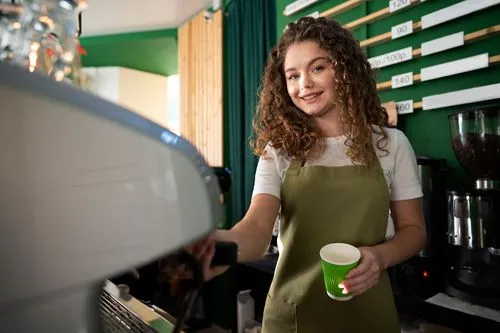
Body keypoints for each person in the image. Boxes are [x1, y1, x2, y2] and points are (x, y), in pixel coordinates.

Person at [190, 16, 426, 332]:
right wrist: (217, 247)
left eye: (317, 68)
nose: (304, 85)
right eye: (292, 75)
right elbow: (256, 229)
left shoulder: (392, 144)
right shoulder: (279, 151)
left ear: (345, 69)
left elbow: (413, 230)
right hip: (292, 317)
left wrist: (381, 257)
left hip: (369, 313)